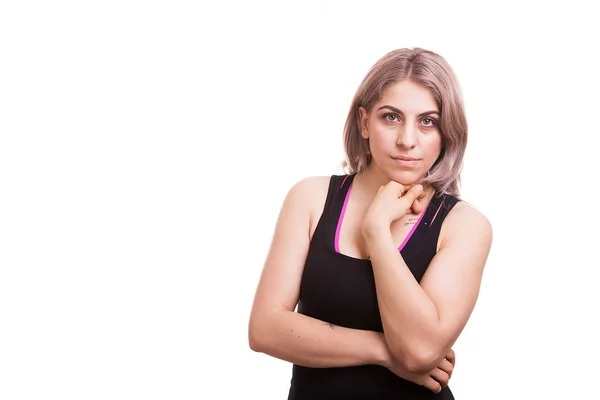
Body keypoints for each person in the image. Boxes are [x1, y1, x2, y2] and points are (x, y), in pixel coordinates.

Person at [248, 47, 493, 399]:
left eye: (428, 121)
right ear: (364, 122)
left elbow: (419, 352)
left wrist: (377, 232)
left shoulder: (464, 225)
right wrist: (381, 351)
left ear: (446, 132)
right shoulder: (311, 198)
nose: (407, 140)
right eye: (391, 117)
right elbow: (265, 329)